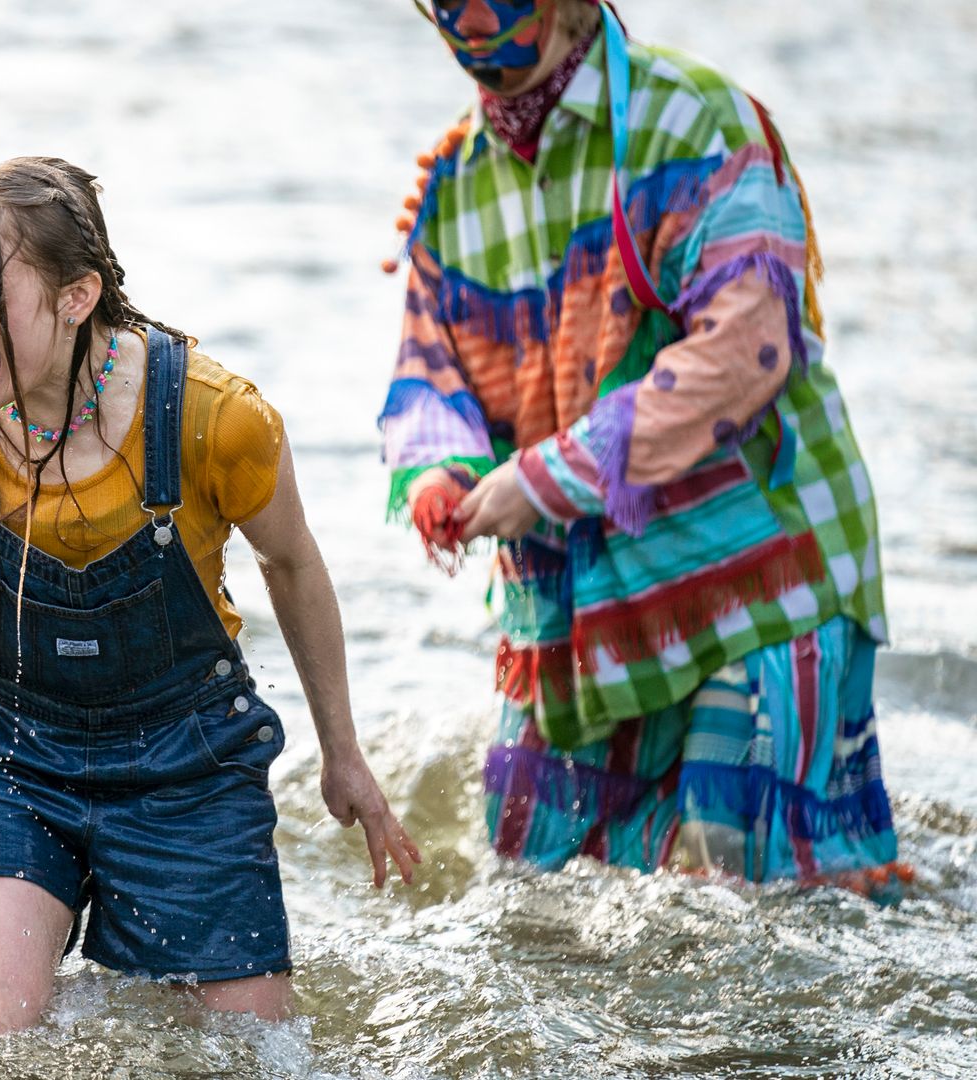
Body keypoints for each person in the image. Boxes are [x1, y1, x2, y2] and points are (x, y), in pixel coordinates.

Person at [0, 158, 421, 1039]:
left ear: (78, 296)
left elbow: (295, 566)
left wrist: (342, 753)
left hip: (188, 764)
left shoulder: (216, 418)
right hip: (4, 754)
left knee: (251, 1051)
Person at [382, 0, 902, 896]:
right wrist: (439, 472)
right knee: (529, 880)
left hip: (759, 571)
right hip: (578, 609)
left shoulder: (693, 120)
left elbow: (746, 352)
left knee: (744, 881)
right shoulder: (452, 185)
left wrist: (545, 479)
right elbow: (429, 375)